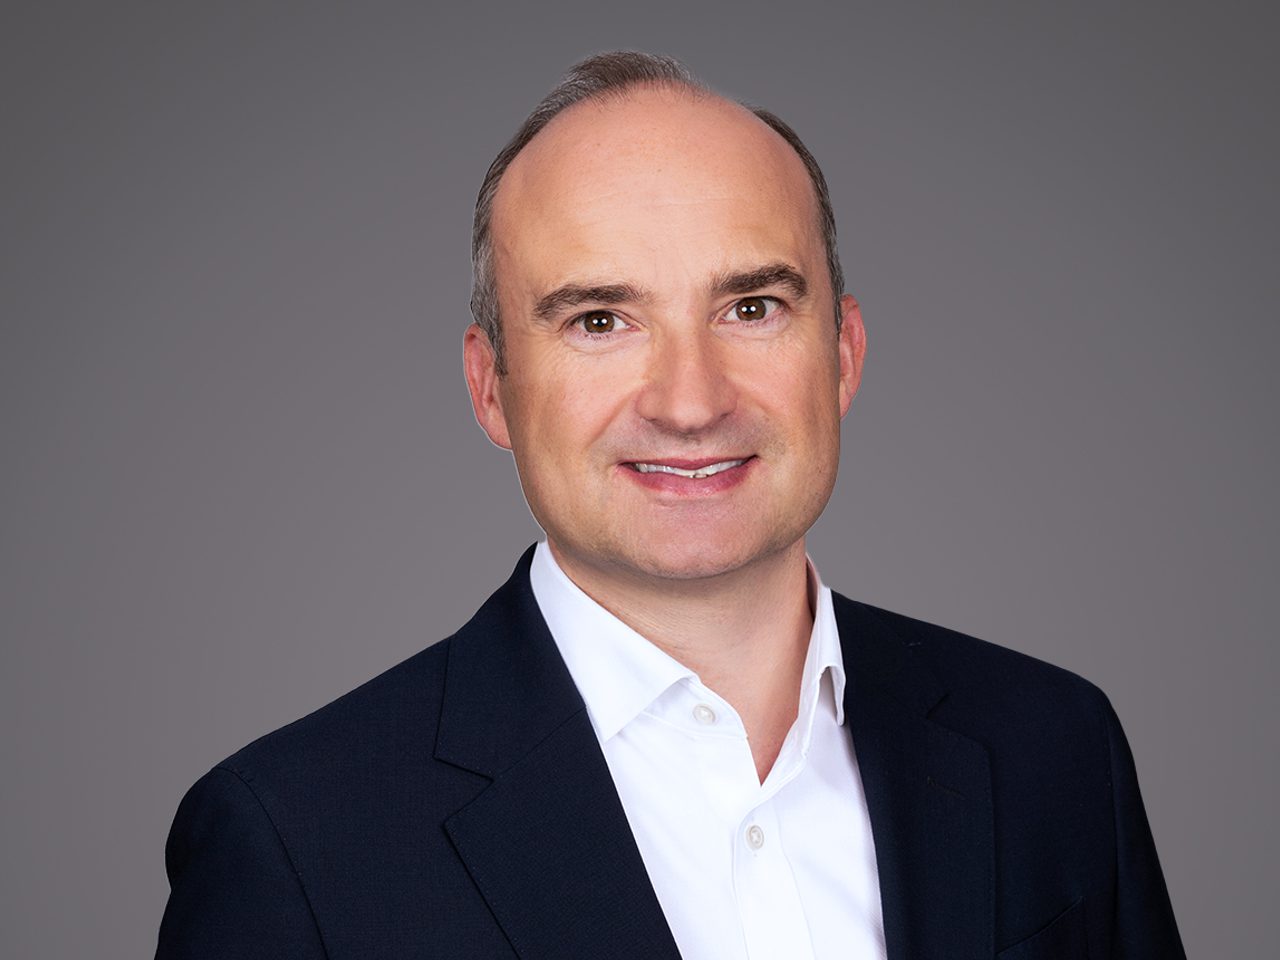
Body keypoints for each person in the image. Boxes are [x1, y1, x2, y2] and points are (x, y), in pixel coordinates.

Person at [155, 52, 1184, 959]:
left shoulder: (1052, 748)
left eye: (750, 307)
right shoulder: (294, 843)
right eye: (599, 320)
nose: (690, 400)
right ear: (489, 388)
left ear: (841, 354)